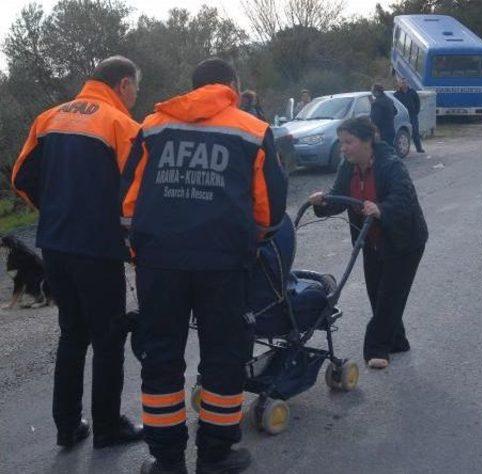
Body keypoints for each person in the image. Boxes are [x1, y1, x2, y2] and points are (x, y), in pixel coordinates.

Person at [121, 57, 287, 474]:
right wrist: (247, 239)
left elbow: (126, 203)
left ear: (192, 86)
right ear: (231, 85)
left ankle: (166, 460)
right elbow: (270, 211)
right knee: (224, 356)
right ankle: (215, 455)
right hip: (224, 265)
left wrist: (143, 243)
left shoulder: (153, 127)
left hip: (159, 264)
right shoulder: (251, 130)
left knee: (161, 357)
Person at [11, 56, 144, 449]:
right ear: (123, 84)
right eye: (135, 88)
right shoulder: (121, 125)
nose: (135, 96)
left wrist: (53, 210)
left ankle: (67, 427)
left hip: (54, 244)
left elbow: (21, 177)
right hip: (98, 249)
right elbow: (136, 196)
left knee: (72, 334)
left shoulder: (48, 118)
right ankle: (107, 427)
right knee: (108, 338)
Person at [309, 117, 427, 370]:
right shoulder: (348, 167)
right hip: (371, 240)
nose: (344, 148)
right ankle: (397, 341)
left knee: (390, 295)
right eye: (341, 142)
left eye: (348, 142)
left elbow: (403, 200)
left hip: (404, 241)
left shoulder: (391, 165)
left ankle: (377, 348)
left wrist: (381, 209)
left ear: (367, 141)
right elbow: (340, 198)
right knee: (377, 293)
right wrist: (323, 202)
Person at [394, 76, 425, 153]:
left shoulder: (412, 92)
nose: (404, 84)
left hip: (412, 115)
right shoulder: (396, 94)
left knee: (415, 132)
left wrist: (415, 112)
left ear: (407, 83)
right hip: (402, 116)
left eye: (405, 82)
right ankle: (404, 148)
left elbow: (417, 103)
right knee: (403, 132)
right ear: (399, 84)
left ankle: (419, 148)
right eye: (402, 83)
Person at [369, 83, 397, 147]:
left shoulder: (376, 103)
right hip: (391, 129)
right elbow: (395, 111)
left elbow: (375, 119)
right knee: (390, 148)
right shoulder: (389, 100)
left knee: (383, 151)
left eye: (372, 91)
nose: (372, 93)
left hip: (381, 132)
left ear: (376, 92)